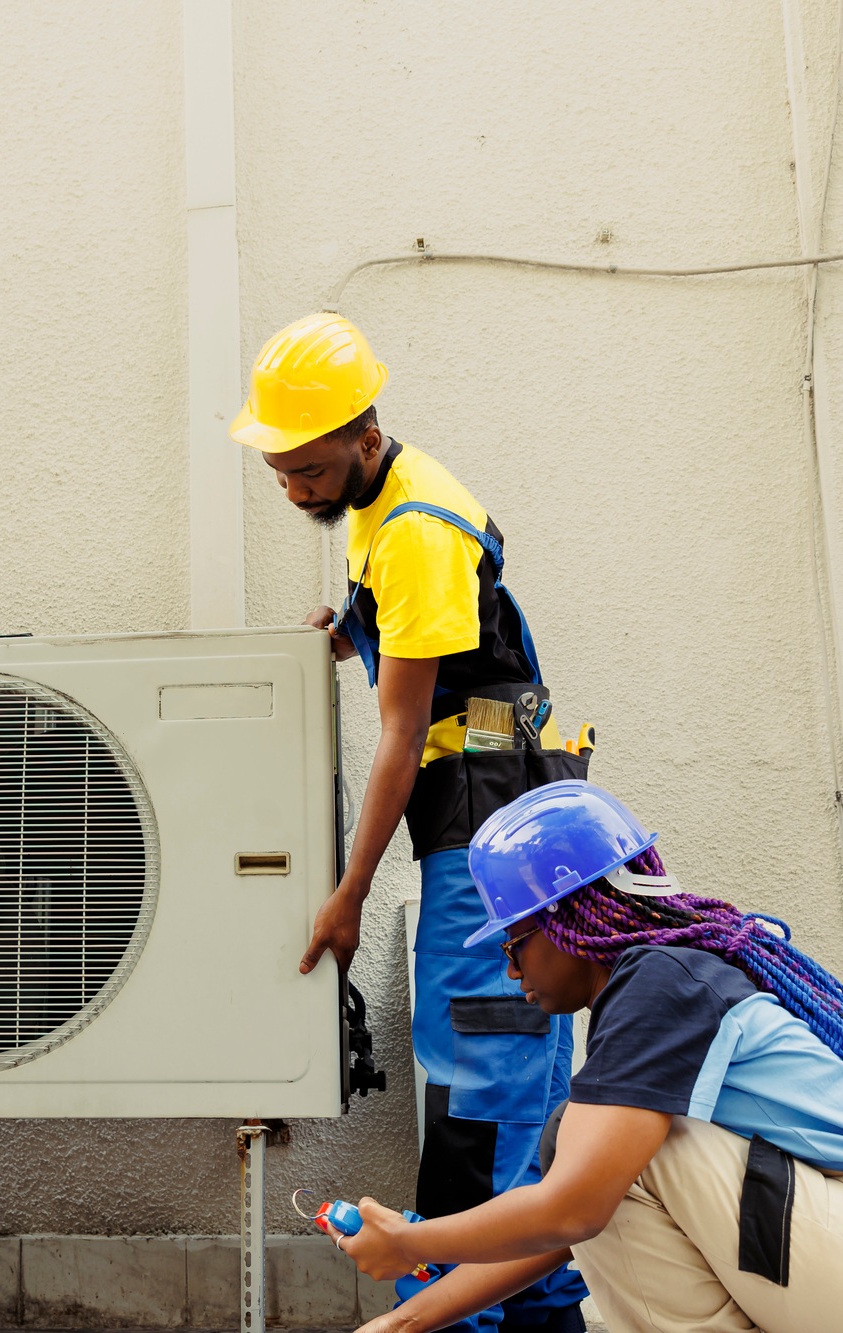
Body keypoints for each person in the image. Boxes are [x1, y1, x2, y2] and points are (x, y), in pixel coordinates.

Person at [332, 780, 843, 1333]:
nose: (510, 970)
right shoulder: (672, 980)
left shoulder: (659, 981)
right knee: (594, 1152)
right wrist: (407, 1318)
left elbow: (574, 1208)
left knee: (590, 1152)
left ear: (571, 919)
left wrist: (413, 1241)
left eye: (512, 942)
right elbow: (566, 1225)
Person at [231, 312, 588, 1331]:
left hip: (488, 824)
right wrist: (340, 631)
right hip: (483, 812)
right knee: (487, 1066)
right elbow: (391, 612)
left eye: (304, 469)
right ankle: (524, 1305)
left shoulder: (417, 529)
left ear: (362, 437)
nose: (292, 488)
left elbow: (397, 737)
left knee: (483, 1073)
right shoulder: (382, 503)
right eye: (279, 472)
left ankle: (469, 1309)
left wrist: (344, 897)